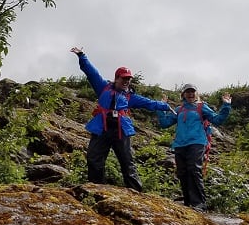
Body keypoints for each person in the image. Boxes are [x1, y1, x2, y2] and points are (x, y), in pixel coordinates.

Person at [70, 47, 173, 192]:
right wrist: (82, 55)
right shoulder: (103, 87)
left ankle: (136, 193)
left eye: (128, 79)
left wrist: (165, 106)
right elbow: (91, 72)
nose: (126, 81)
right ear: (116, 78)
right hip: (102, 127)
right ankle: (97, 190)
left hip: (121, 130)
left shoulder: (130, 96)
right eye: (124, 78)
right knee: (94, 159)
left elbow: (149, 103)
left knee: (127, 161)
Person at [157, 84, 231, 211]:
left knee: (193, 169)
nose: (190, 94)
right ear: (183, 94)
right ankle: (188, 203)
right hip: (180, 144)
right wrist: (160, 108)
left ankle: (199, 204)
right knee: (182, 172)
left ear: (196, 94)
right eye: (187, 92)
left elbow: (217, 120)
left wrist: (226, 106)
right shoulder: (179, 109)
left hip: (197, 142)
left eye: (192, 92)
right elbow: (164, 123)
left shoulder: (202, 107)